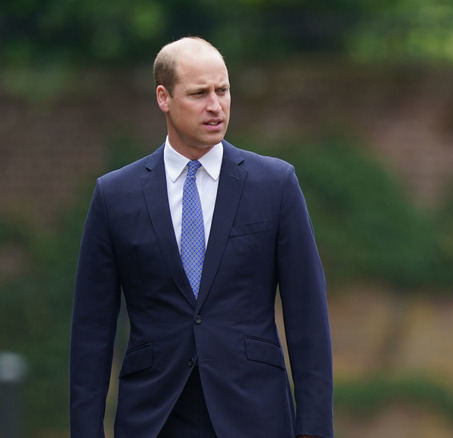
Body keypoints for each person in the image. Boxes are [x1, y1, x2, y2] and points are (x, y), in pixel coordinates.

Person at [70, 37, 333, 438]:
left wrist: (313, 429)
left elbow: (308, 317)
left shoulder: (276, 184)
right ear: (164, 97)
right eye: (199, 94)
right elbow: (91, 332)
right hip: (153, 417)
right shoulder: (114, 195)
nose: (216, 105)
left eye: (223, 90)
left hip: (255, 415)